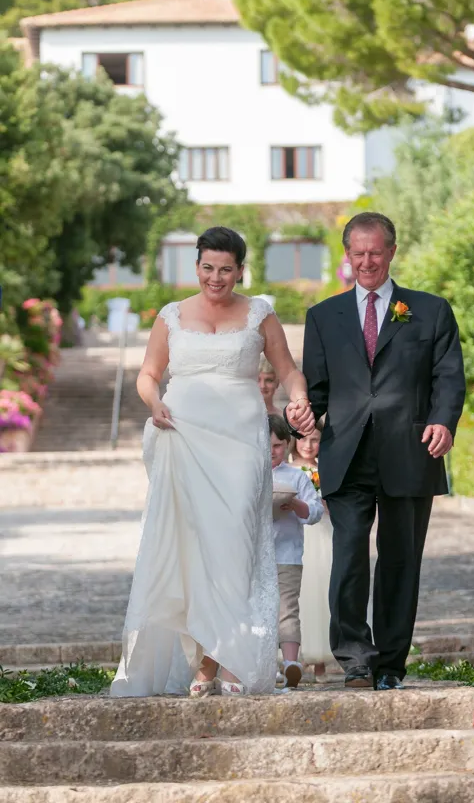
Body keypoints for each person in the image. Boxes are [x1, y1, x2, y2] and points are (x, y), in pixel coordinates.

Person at [110, 226, 314, 698]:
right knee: (196, 551)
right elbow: (148, 373)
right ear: (196, 265)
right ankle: (206, 664)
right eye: (207, 267)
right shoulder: (172, 315)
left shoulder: (259, 314)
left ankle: (233, 658)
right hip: (185, 438)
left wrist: (299, 399)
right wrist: (153, 402)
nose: (215, 278)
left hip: (243, 443)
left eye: (226, 269)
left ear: (241, 270)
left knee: (236, 545)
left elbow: (287, 369)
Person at [287, 211, 466, 691]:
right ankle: (355, 657)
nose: (367, 261)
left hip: (411, 450)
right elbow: (317, 391)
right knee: (348, 556)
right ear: (347, 256)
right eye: (358, 252)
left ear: (391, 251)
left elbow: (448, 378)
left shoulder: (430, 310)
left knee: (400, 560)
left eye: (376, 251)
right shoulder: (323, 316)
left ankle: (389, 662)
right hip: (346, 453)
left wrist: (443, 423)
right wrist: (299, 415)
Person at [270, 414, 324, 689]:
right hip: (254, 557)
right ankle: (264, 665)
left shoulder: (297, 477)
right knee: (258, 611)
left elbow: (314, 511)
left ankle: (292, 662)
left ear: (287, 445)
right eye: (265, 445)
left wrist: (298, 506)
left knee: (287, 609)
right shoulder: (249, 475)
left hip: (288, 555)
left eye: (278, 445)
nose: (271, 451)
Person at [291, 421, 334, 682]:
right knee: (297, 593)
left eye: (315, 439)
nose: (308, 445)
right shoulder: (288, 470)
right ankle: (294, 657)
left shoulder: (324, 470)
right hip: (297, 534)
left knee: (320, 592)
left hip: (323, 534)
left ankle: (320, 663)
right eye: (304, 439)